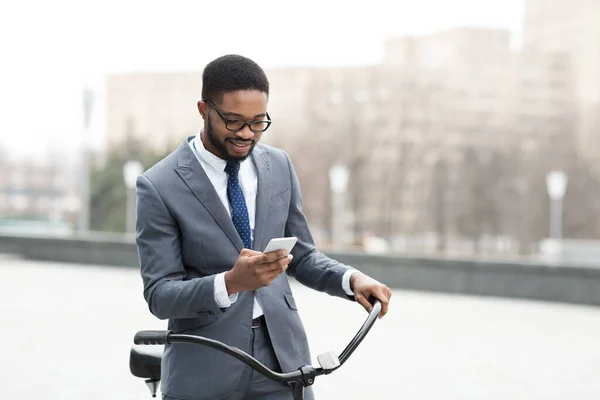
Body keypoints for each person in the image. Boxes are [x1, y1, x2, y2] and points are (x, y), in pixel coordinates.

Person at [135, 54, 392, 400]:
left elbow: (301, 256)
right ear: (203, 109)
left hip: (283, 364)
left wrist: (351, 280)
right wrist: (230, 283)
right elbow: (160, 295)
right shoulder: (158, 185)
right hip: (206, 367)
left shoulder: (279, 165)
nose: (246, 134)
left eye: (258, 122)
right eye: (234, 121)